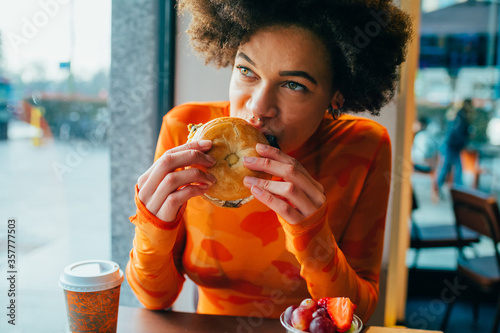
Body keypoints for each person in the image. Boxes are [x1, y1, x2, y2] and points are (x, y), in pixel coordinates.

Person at [126, 0, 413, 322]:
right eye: (246, 71)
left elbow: (354, 312)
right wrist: (153, 228)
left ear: (337, 95)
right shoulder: (184, 129)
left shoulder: (364, 146)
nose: (259, 107)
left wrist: (315, 239)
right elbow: (155, 299)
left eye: (294, 85)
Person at [435, 99, 474, 192]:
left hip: (453, 146)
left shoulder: (461, 116)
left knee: (450, 168)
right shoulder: (460, 117)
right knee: (452, 168)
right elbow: (456, 133)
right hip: (452, 146)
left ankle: (441, 187)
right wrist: (463, 141)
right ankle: (456, 190)